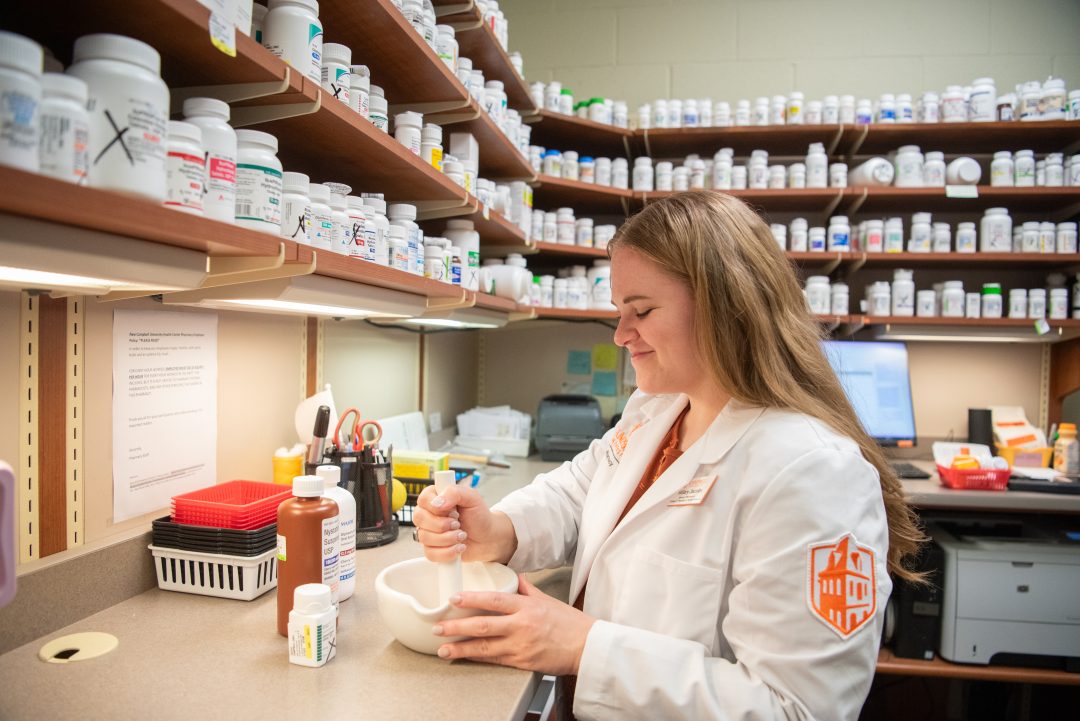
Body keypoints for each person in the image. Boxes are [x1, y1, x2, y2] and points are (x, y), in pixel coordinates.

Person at [412, 191, 925, 720]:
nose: (621, 335)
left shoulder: (814, 473)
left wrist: (586, 648)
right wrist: (502, 529)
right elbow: (580, 490)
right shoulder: (659, 406)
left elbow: (795, 709)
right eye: (618, 311)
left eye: (643, 310)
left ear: (728, 306)